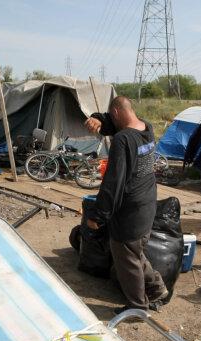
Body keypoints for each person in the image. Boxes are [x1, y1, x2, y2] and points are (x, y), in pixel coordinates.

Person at [84, 96, 168, 313]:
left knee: (127, 260)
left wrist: (98, 216)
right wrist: (97, 118)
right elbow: (116, 122)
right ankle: (158, 289)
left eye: (110, 116)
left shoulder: (122, 140)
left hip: (130, 212)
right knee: (136, 253)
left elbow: (114, 183)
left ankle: (137, 307)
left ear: (116, 113)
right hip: (148, 205)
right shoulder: (146, 128)